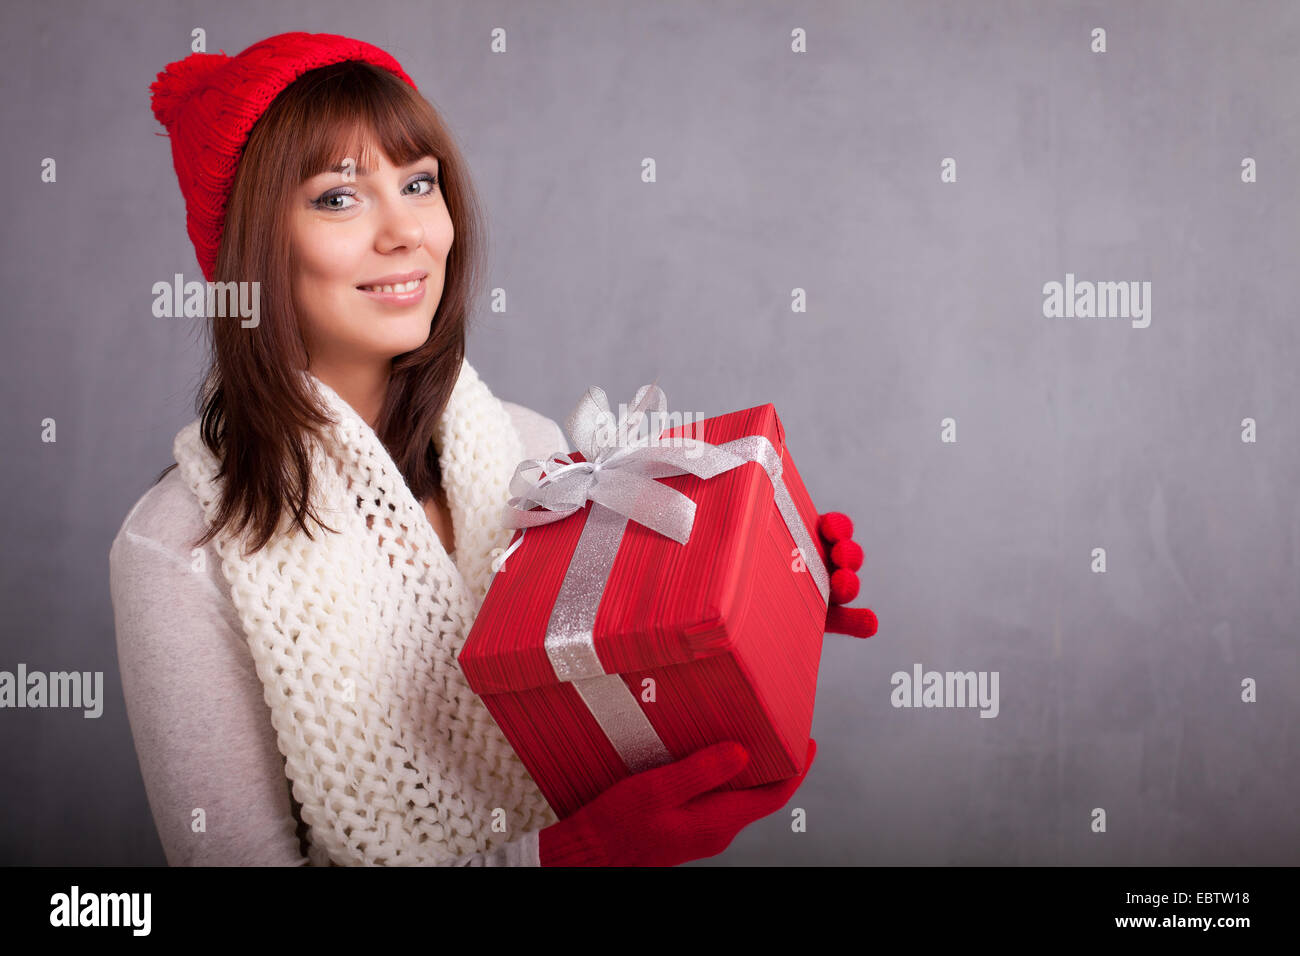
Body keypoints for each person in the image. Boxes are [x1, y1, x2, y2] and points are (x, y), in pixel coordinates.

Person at [111, 31, 874, 867]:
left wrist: (757, 610)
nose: (406, 232)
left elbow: (604, 699)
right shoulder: (177, 548)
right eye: (338, 197)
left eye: (419, 183)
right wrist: (560, 859)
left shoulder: (529, 446)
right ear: (250, 252)